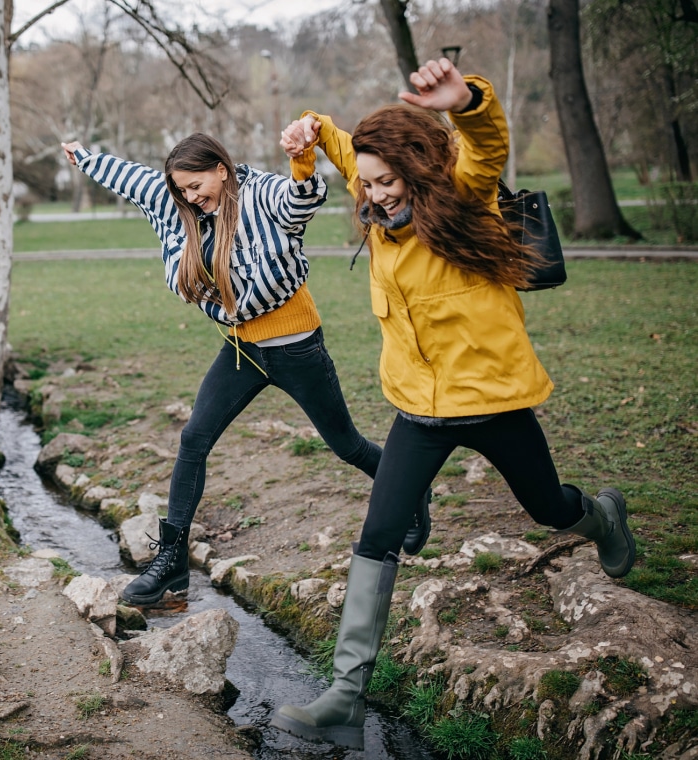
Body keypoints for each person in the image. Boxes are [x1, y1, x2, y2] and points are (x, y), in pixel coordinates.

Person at [268, 58, 637, 751]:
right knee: (378, 535)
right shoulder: (374, 189)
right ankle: (346, 697)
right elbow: (348, 149)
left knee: (549, 510)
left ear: (421, 169)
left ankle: (603, 516)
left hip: (494, 403)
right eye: (368, 184)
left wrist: (466, 101)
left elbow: (486, 145)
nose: (375, 195)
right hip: (419, 414)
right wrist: (312, 130)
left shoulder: (463, 196)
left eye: (387, 181)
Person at [60, 131, 431, 606]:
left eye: (197, 186)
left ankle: (414, 494)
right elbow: (129, 177)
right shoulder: (182, 206)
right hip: (242, 351)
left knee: (347, 445)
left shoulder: (261, 193)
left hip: (297, 348)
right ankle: (172, 563)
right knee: (193, 439)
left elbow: (301, 198)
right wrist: (84, 157)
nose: (192, 198)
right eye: (183, 191)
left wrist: (301, 162)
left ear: (221, 168)